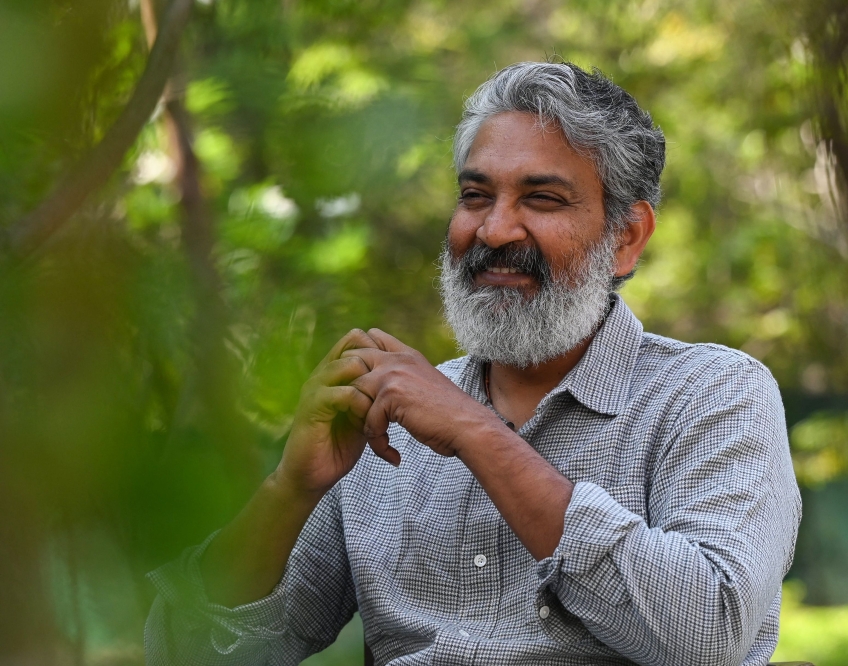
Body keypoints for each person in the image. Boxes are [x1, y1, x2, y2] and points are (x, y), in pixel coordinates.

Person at [144, 61, 801, 666]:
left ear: (625, 237)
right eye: (475, 195)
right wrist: (290, 489)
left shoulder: (712, 396)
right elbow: (189, 649)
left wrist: (475, 434)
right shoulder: (382, 422)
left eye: (541, 199)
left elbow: (711, 631)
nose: (493, 231)